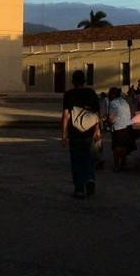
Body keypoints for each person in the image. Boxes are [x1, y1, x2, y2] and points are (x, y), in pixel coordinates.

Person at [61, 70, 101, 199]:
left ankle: (79, 189)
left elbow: (66, 115)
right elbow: (96, 114)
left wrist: (64, 134)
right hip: (89, 130)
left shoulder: (69, 94)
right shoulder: (91, 93)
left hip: (75, 132)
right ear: (84, 80)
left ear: (73, 81)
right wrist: (97, 130)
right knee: (88, 157)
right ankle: (90, 179)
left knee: (76, 160)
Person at [107, 87, 135, 171]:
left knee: (117, 147)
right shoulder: (124, 101)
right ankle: (123, 163)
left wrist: (108, 124)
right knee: (124, 146)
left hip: (118, 127)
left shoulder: (113, 103)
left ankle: (116, 165)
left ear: (112, 94)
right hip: (127, 126)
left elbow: (111, 118)